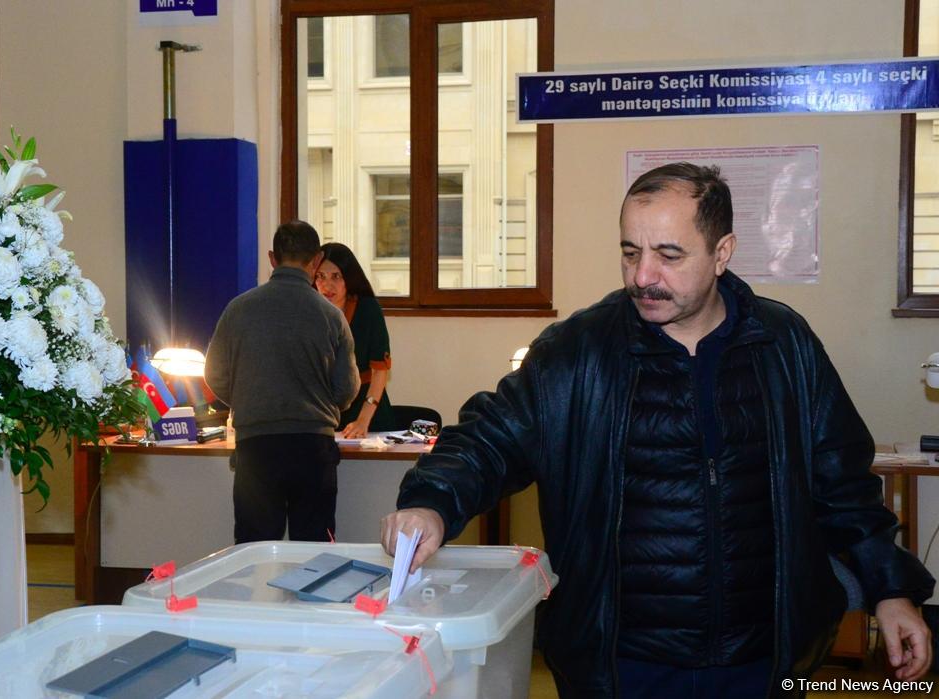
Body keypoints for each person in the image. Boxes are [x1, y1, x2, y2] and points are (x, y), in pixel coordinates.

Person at [381, 163, 935, 698]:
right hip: (621, 666)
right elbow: (488, 439)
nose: (643, 276)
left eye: (669, 255)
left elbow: (842, 485)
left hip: (763, 658)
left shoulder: (783, 345)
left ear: (722, 253)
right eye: (630, 252)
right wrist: (432, 500)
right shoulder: (577, 352)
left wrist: (891, 591)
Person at [205, 220, 359, 543]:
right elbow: (347, 388)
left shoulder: (238, 310)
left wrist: (249, 398)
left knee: (254, 550)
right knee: (314, 551)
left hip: (256, 448)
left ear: (272, 259)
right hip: (313, 448)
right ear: (316, 261)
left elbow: (214, 375)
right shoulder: (332, 317)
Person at [314, 242, 396, 437]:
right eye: (320, 276)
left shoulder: (368, 309)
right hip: (324, 411)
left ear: (349, 278)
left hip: (367, 409)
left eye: (336, 276)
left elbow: (379, 371)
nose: (327, 285)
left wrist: (362, 420)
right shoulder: (309, 311)